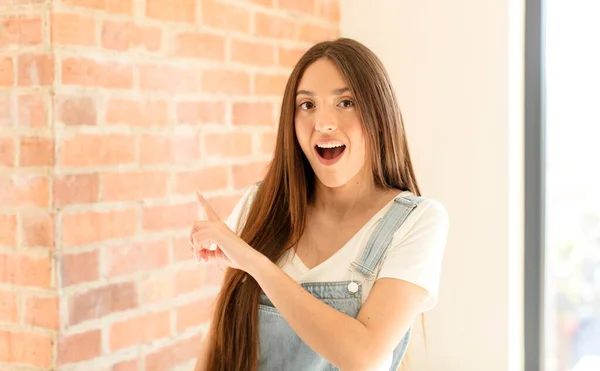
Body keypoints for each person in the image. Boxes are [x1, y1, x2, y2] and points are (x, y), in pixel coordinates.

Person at [189, 37, 449, 371]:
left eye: (345, 102)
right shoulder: (261, 204)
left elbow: (363, 355)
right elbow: (221, 339)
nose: (324, 123)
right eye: (307, 105)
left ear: (379, 113)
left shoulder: (417, 221)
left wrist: (253, 262)